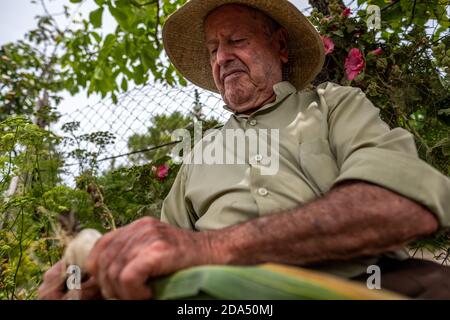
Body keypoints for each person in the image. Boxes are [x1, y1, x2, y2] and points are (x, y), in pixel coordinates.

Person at [39, 0, 450, 300]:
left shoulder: (333, 106)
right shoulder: (201, 154)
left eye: (236, 40)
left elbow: (399, 202)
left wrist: (213, 248)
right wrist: (92, 276)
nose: (221, 57)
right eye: (212, 49)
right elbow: (159, 256)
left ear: (281, 47)